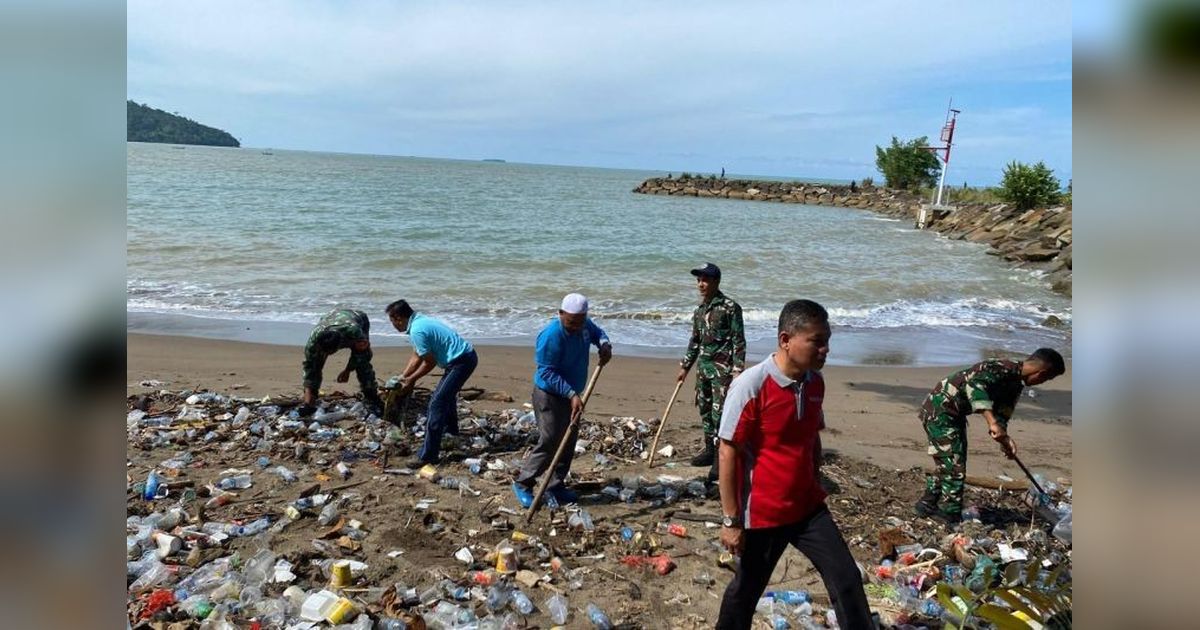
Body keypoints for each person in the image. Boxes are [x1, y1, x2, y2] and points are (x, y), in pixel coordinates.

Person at [715, 299, 872, 629]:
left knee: (846, 579)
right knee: (745, 591)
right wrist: (731, 520)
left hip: (807, 508)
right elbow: (728, 451)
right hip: (764, 514)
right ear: (786, 340)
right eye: (817, 341)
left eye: (827, 341)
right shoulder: (751, 385)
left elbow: (812, 434)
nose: (825, 350)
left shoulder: (815, 383)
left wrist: (814, 476)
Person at [915, 348, 1066, 524]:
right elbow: (975, 387)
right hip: (940, 410)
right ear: (1041, 372)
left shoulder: (1015, 384)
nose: (1042, 382)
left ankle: (926, 505)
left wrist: (1005, 440)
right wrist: (991, 422)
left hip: (955, 415)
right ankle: (950, 515)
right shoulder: (998, 367)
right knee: (954, 466)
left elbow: (1002, 413)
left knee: (949, 462)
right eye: (1046, 379)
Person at [512, 293, 612, 508]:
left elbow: (598, 333)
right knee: (550, 440)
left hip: (573, 394)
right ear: (560, 314)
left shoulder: (584, 325)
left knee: (568, 441)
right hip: (549, 394)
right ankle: (523, 483)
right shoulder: (551, 336)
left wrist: (605, 345)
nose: (575, 326)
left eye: (579, 321)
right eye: (570, 322)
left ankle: (555, 485)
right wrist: (571, 394)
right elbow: (547, 372)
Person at [386, 300, 479, 466]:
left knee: (436, 403)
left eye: (391, 321)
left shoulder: (417, 330)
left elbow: (429, 362)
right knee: (446, 397)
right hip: (464, 357)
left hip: (461, 362)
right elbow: (417, 356)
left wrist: (411, 380)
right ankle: (450, 434)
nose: (392, 325)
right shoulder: (419, 321)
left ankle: (428, 455)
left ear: (398, 318)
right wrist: (403, 376)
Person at [677, 262, 745, 481]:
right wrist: (685, 367)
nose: (700, 284)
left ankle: (719, 458)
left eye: (705, 280)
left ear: (716, 281)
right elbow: (695, 342)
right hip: (703, 370)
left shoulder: (730, 307)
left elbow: (739, 341)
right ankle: (709, 449)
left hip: (722, 372)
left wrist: (737, 371)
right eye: (698, 280)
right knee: (705, 410)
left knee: (720, 415)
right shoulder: (699, 311)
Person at [301, 308, 382, 416]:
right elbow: (309, 368)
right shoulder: (313, 341)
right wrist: (308, 402)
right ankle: (310, 400)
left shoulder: (354, 332)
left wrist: (347, 370)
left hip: (358, 318)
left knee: (363, 363)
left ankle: (371, 395)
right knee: (315, 366)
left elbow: (362, 355)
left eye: (329, 352)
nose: (327, 355)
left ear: (338, 347)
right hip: (331, 317)